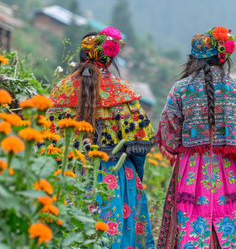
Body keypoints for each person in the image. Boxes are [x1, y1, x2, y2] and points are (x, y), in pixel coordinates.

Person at [46, 27, 156, 248]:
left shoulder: (61, 90)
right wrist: (136, 177)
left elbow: (47, 140)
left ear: (83, 55)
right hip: (115, 179)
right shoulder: (123, 93)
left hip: (72, 176)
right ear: (110, 59)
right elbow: (141, 143)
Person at [156, 26, 236, 248]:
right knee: (230, 221)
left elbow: (168, 130)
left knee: (191, 220)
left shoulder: (180, 89)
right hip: (228, 169)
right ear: (222, 58)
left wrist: (177, 146)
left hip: (191, 170)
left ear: (193, 59)